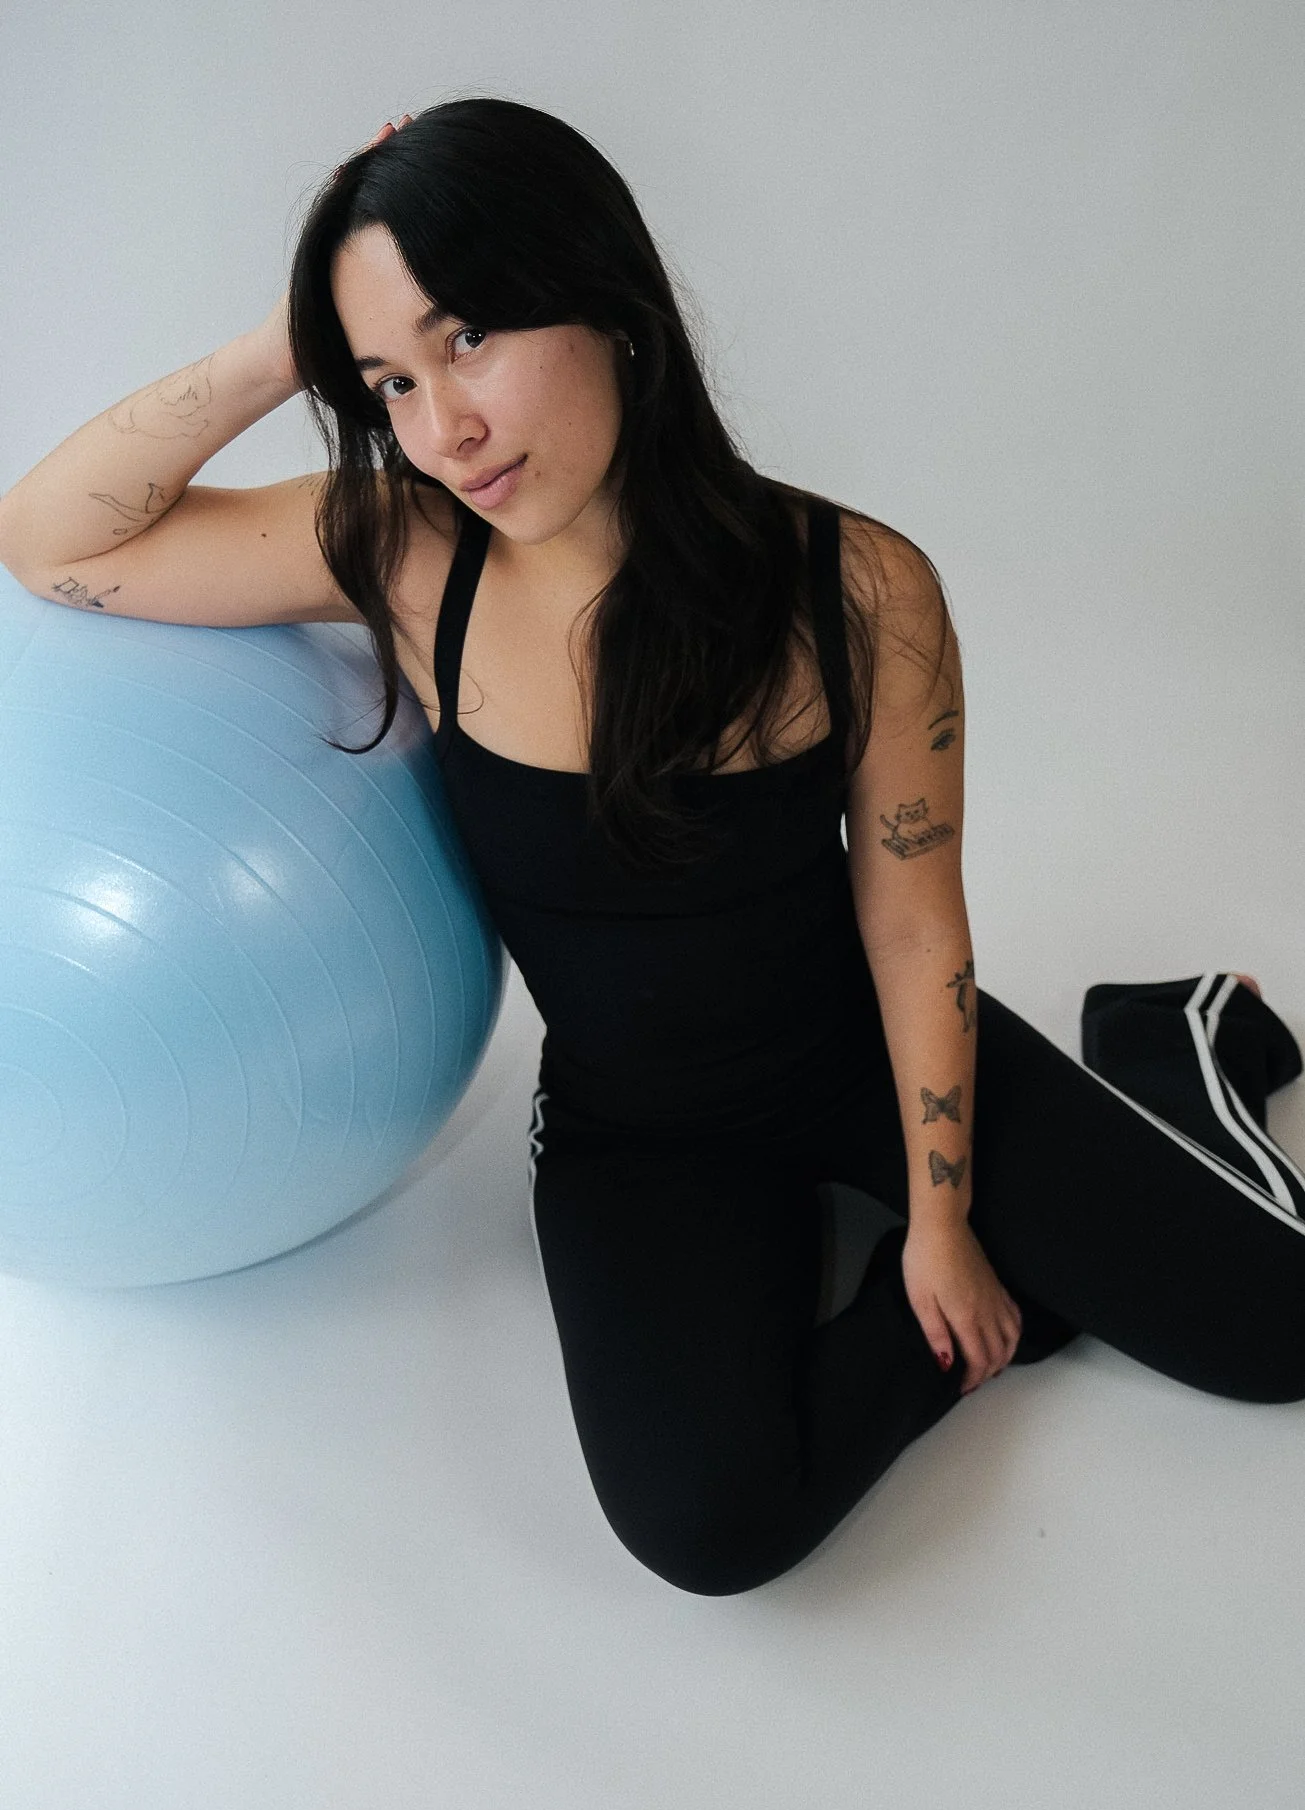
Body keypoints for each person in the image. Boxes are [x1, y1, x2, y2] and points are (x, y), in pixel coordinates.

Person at [2, 98, 1302, 1598]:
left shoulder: (857, 589)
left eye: (470, 335)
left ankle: (1170, 1048)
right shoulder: (407, 551)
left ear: (608, 300)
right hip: (639, 1131)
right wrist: (294, 335)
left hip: (864, 1054)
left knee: (1279, 1330)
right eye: (388, 381)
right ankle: (991, 1290)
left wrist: (945, 1224)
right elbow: (57, 540)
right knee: (709, 1530)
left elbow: (914, 927)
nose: (445, 428)